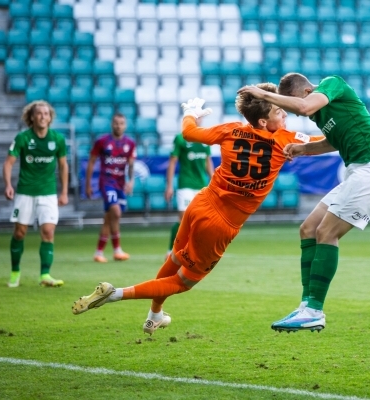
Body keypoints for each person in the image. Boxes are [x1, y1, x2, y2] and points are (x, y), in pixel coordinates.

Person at [72, 83, 326, 335]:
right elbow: (327, 142)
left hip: (201, 202)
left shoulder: (231, 130)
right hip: (220, 225)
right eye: (279, 110)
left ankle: (154, 316)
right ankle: (114, 294)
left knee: (175, 257)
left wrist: (190, 113)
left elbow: (190, 133)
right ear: (262, 121)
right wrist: (357, 122)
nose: (285, 112)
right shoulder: (287, 140)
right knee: (183, 282)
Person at [238, 74, 370, 333]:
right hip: (356, 173)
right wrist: (301, 149)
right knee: (308, 228)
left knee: (326, 232)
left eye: (292, 103)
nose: (297, 113)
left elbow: (304, 107)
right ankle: (306, 307)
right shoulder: (321, 115)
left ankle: (314, 310)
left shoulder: (332, 84)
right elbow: (332, 141)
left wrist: (264, 95)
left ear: (305, 91)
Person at [3, 100, 68, 288]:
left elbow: (63, 165)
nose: (42, 116)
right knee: (20, 232)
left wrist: (64, 191)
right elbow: (8, 163)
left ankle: (45, 275)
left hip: (48, 193)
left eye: (46, 114)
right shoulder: (23, 138)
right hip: (25, 192)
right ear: (32, 117)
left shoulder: (57, 139)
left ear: (50, 118)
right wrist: (8, 184)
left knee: (48, 232)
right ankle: (15, 271)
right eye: (39, 113)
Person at [85, 113, 135, 263]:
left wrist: (130, 181)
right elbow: (92, 162)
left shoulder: (130, 144)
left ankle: (99, 252)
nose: (118, 126)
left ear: (125, 125)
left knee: (109, 218)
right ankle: (117, 249)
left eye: (121, 123)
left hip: (120, 184)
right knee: (116, 212)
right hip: (106, 182)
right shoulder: (102, 142)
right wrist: (87, 184)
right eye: (116, 123)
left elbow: (131, 164)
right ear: (111, 124)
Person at [164, 134, 214, 257]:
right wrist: (169, 185)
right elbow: (172, 161)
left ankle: (193, 252)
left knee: (200, 221)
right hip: (185, 184)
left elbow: (208, 161)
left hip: (202, 185)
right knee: (183, 220)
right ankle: (171, 251)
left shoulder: (205, 138)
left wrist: (213, 181)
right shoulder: (181, 138)